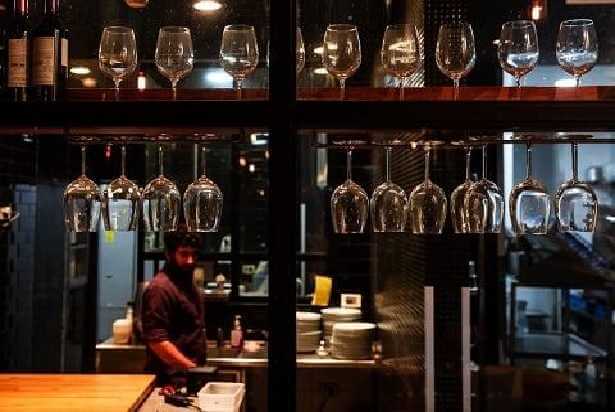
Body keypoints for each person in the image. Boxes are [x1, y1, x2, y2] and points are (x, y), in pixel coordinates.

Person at [141, 228, 206, 384]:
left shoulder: (187, 286)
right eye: (184, 254)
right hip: (168, 381)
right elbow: (157, 342)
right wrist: (191, 369)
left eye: (194, 254)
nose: (190, 260)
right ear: (169, 254)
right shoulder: (160, 288)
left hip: (185, 378)